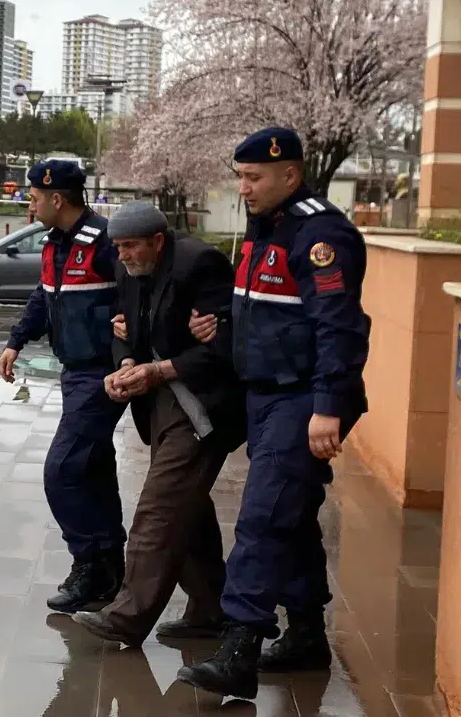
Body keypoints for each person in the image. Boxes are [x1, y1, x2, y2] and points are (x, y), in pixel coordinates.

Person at [174, 128, 372, 699]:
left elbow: (340, 327)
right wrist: (222, 329)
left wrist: (328, 407)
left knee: (263, 515)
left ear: (290, 174)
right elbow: (275, 316)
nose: (244, 187)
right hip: (265, 395)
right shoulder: (266, 232)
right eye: (240, 175)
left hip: (303, 397)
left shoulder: (318, 233)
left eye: (254, 176)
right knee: (291, 514)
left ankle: (241, 645)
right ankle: (307, 633)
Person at [67, 201, 246, 647]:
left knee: (159, 510)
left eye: (131, 247)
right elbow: (124, 329)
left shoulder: (200, 264)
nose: (123, 256)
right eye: (119, 247)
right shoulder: (130, 269)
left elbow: (225, 347)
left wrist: (159, 370)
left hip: (204, 405)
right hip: (161, 405)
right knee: (188, 509)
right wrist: (125, 363)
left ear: (158, 241)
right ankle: (210, 610)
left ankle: (126, 617)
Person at [0, 159, 127, 614]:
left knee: (63, 470)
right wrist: (17, 339)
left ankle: (90, 564)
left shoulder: (104, 241)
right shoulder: (55, 244)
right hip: (74, 371)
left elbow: (138, 292)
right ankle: (111, 567)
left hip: (102, 374)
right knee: (91, 468)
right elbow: (44, 295)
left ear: (57, 199)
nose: (27, 204)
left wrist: (129, 345)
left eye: (32, 197)